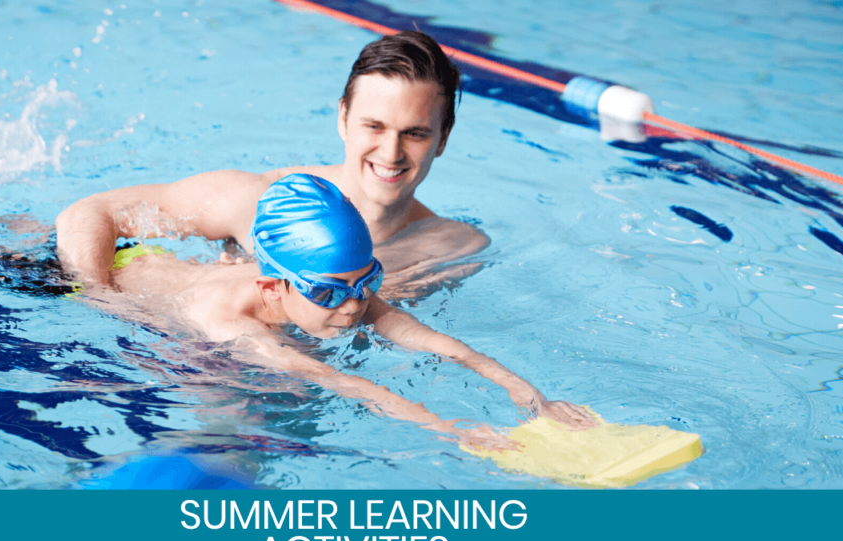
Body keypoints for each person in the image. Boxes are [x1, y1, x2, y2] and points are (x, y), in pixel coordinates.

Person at [100, 173, 594, 450]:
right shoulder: (232, 324)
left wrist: (531, 397)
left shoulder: (344, 288)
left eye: (368, 282)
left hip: (164, 262)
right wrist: (457, 433)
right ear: (274, 287)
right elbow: (346, 384)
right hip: (108, 281)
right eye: (331, 294)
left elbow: (435, 342)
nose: (355, 305)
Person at [56, 31, 488, 298]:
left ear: (443, 139)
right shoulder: (262, 200)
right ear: (342, 119)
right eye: (374, 126)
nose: (391, 152)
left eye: (414, 133)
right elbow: (88, 213)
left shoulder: (452, 248)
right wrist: (100, 302)